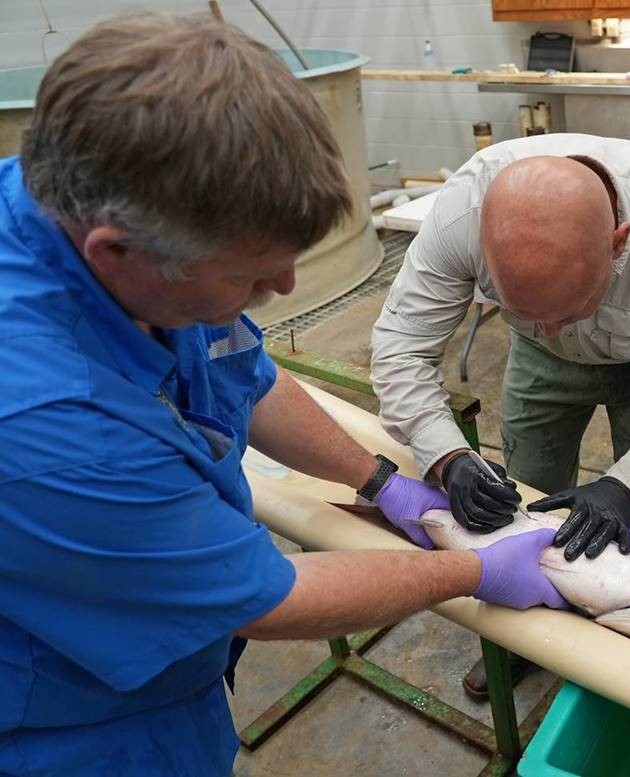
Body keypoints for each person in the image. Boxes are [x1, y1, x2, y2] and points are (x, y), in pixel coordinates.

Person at [0, 14, 565, 776]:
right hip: (70, 718)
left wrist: (378, 478)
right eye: (248, 274)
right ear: (118, 251)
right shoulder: (52, 423)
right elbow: (263, 599)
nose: (283, 290)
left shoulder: (86, 217)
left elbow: (246, 378)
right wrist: (475, 573)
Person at [370, 134, 630, 695]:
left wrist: (625, 486)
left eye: (566, 309)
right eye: (525, 310)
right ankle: (522, 639)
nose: (554, 328)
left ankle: (628, 645)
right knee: (514, 511)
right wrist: (445, 454)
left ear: (619, 244)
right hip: (538, 367)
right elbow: (401, 347)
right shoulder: (464, 213)